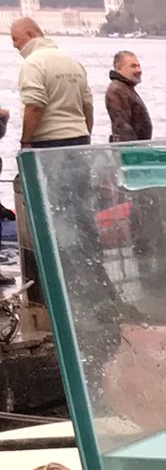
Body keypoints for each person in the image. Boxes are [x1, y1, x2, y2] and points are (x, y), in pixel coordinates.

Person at [5, 19, 91, 303]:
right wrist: (85, 134)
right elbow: (87, 105)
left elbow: (34, 105)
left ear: (31, 34)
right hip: (79, 141)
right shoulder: (72, 62)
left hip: (48, 144)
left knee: (52, 214)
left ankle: (55, 282)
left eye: (16, 39)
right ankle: (86, 276)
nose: (14, 45)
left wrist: (25, 143)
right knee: (80, 212)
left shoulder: (34, 64)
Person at [105, 49, 151, 142]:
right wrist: (132, 148)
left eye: (138, 66)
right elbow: (122, 127)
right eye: (133, 66)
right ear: (119, 68)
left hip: (139, 145)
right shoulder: (117, 90)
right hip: (130, 147)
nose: (139, 70)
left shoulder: (127, 88)